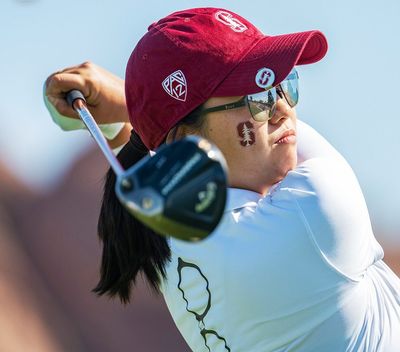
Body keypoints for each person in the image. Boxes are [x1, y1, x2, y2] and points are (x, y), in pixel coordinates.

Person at [45, 7, 400, 351]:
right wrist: (128, 100)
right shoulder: (314, 214)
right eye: (257, 96)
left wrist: (145, 107)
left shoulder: (162, 232)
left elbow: (156, 143)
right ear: (186, 140)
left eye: (284, 84)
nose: (282, 108)